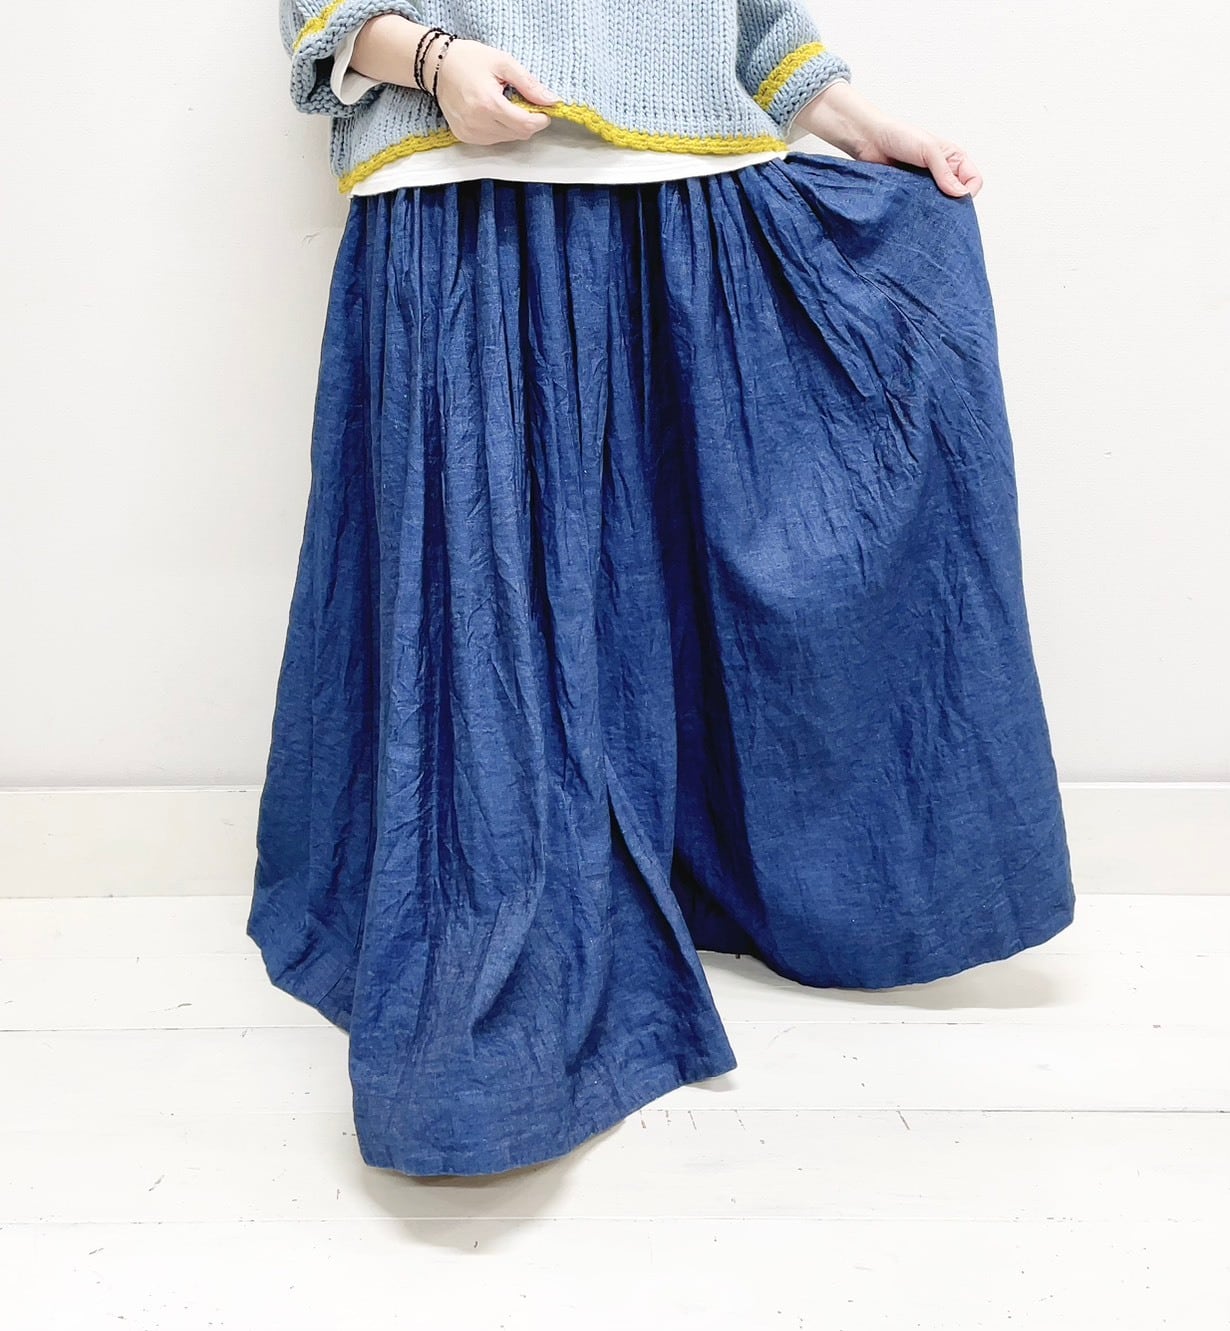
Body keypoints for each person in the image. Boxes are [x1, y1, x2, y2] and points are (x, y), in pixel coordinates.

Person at [248, 1, 1076, 1180]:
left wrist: (863, 126)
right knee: (495, 645)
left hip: (692, 211)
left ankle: (728, 864)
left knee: (725, 570)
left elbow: (748, 23)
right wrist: (433, 61)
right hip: (467, 202)